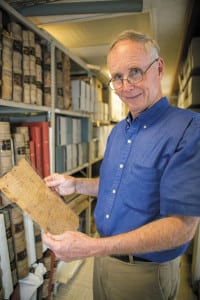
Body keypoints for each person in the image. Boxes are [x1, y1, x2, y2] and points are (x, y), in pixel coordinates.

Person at [42, 30, 200, 300]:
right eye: (117, 77)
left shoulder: (189, 128)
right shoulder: (118, 132)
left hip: (144, 274)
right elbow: (116, 187)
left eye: (135, 71)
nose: (126, 86)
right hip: (104, 262)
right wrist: (75, 184)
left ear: (159, 68)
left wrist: (93, 247)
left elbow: (182, 227)